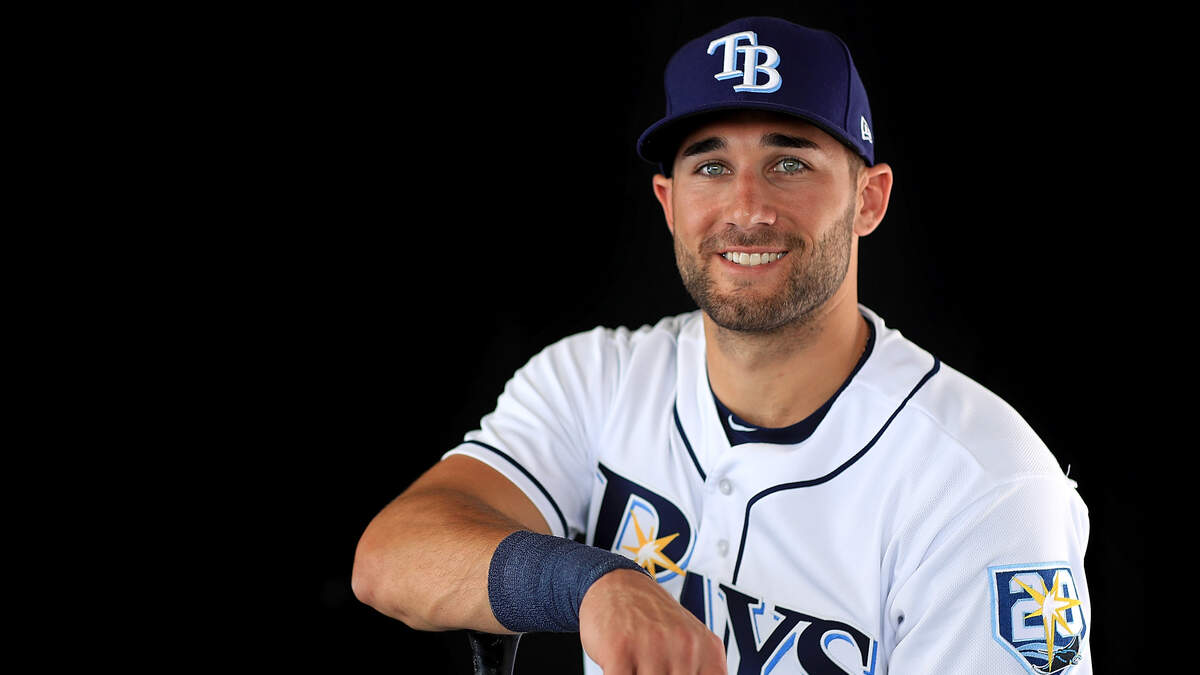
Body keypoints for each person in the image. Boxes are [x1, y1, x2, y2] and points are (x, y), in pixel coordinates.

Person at [352, 16, 1091, 675]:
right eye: (710, 166)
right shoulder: (596, 379)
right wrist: (591, 583)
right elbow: (391, 554)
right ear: (670, 203)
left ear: (869, 199)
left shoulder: (987, 485)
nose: (747, 208)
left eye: (790, 162)